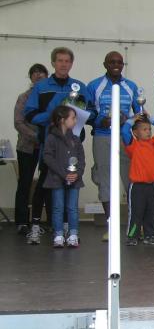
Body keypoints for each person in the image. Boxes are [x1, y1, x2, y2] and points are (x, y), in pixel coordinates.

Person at [24, 47, 90, 245]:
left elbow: (91, 112)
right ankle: (36, 225)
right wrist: (54, 114)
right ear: (53, 62)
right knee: (45, 184)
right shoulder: (41, 87)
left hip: (73, 144)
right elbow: (30, 115)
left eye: (67, 61)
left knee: (71, 182)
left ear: (72, 63)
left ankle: (68, 227)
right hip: (50, 143)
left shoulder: (79, 87)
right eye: (60, 60)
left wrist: (82, 116)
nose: (63, 64)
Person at [86, 51, 142, 241]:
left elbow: (140, 114)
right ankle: (111, 226)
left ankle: (135, 226)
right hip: (102, 138)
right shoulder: (94, 85)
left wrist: (128, 121)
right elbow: (87, 113)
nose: (116, 65)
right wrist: (100, 121)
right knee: (105, 181)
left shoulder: (131, 86)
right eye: (112, 62)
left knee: (132, 181)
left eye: (119, 62)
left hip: (125, 138)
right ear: (105, 64)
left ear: (123, 65)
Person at [122, 114, 154, 246]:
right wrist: (132, 120)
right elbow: (124, 131)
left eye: (149, 129)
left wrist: (152, 119)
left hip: (152, 185)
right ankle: (132, 236)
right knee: (136, 213)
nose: (148, 132)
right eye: (144, 129)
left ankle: (150, 235)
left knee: (152, 212)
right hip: (137, 187)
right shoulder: (133, 145)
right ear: (135, 133)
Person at [14, 63, 49, 235]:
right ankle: (22, 221)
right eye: (34, 73)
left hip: (46, 147)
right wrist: (36, 136)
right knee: (25, 183)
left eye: (41, 72)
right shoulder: (24, 97)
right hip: (27, 147)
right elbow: (18, 122)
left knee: (45, 184)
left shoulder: (48, 96)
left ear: (47, 76)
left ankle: (41, 221)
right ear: (30, 77)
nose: (38, 75)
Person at [42, 106, 85, 248]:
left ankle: (73, 234)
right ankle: (58, 234)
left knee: (72, 208)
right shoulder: (51, 138)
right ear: (62, 120)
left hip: (74, 180)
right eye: (73, 118)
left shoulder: (76, 139)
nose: (75, 121)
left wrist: (77, 173)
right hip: (57, 179)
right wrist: (63, 173)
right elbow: (48, 158)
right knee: (58, 207)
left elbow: (81, 159)